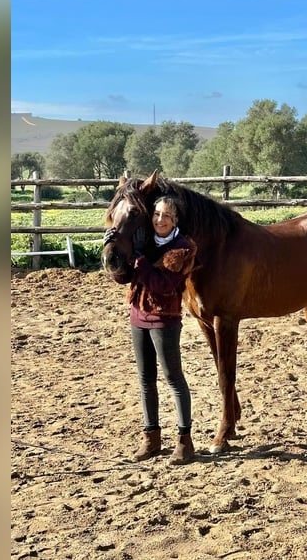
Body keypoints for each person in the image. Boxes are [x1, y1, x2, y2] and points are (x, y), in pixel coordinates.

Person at [104, 196, 198, 465]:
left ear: (175, 220)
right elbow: (125, 277)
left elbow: (163, 285)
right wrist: (113, 248)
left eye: (166, 215)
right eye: (156, 214)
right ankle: (151, 438)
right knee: (146, 380)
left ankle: (184, 441)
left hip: (164, 320)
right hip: (138, 316)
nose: (160, 219)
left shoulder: (183, 248)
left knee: (174, 379)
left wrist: (139, 261)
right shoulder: (143, 242)